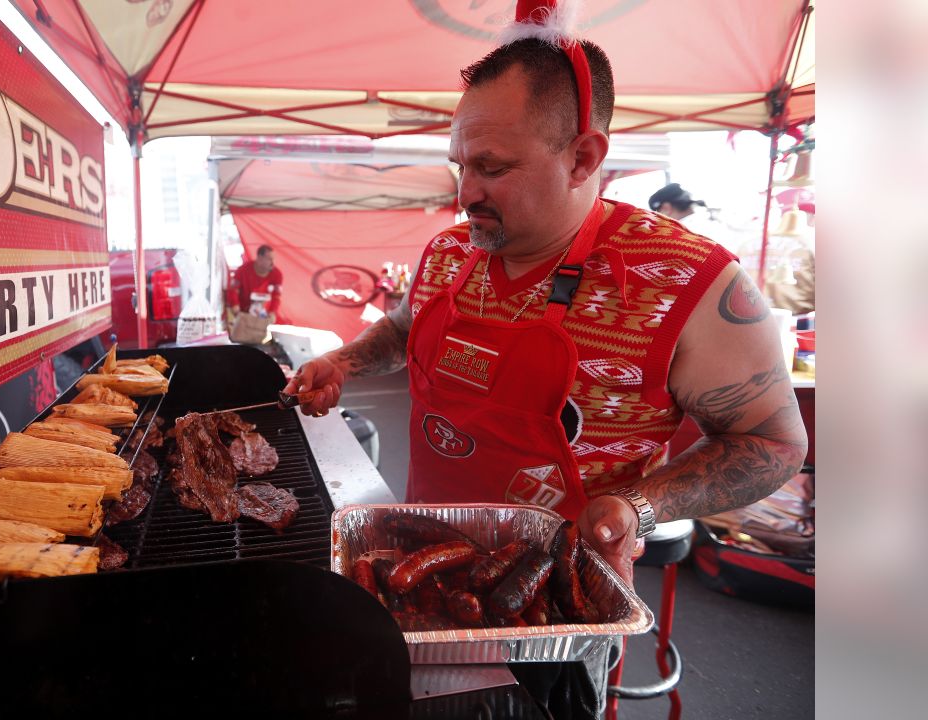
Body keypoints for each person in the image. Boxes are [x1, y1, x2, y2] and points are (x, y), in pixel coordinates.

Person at [286, 19, 806, 719]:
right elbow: (405, 327)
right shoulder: (449, 252)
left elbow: (773, 442)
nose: (466, 190)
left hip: (550, 611)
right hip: (421, 576)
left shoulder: (689, 282)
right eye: (460, 165)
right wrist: (345, 359)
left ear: (584, 156)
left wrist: (641, 507)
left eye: (492, 168)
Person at [225, 244, 282, 326]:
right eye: (269, 259)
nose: (272, 263)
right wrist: (235, 306)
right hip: (243, 315)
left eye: (273, 259)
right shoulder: (243, 270)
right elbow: (233, 290)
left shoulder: (277, 274)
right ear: (259, 258)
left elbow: (277, 296)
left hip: (264, 316)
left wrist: (272, 312)